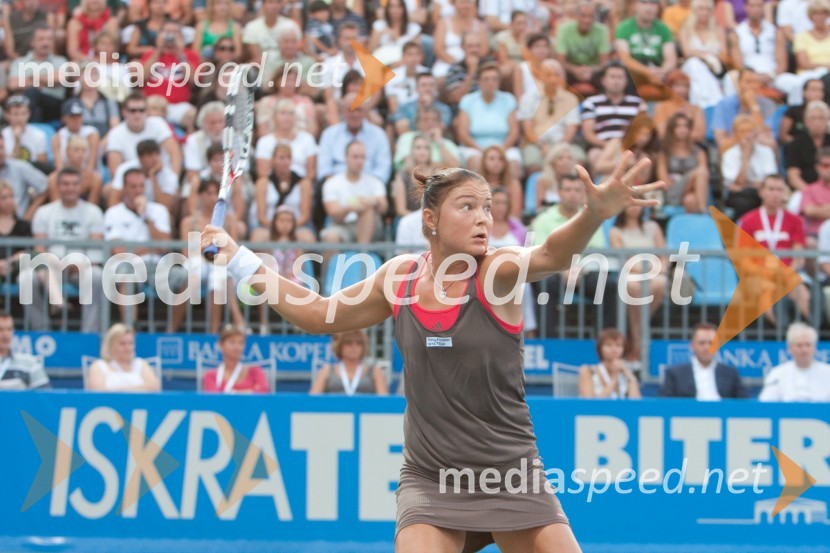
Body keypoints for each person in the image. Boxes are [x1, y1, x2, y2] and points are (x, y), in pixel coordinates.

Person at [202, 150, 661, 552]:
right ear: (430, 219)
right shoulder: (398, 277)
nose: (484, 218)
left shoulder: (496, 271)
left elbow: (552, 255)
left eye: (487, 207)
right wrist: (240, 259)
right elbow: (319, 312)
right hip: (431, 477)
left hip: (510, 473)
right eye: (468, 207)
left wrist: (593, 215)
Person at [26, 167, 106, 333]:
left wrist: (77, 264)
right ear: (58, 186)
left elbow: (96, 249)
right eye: (66, 184)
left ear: (81, 186)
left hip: (81, 266)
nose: (70, 188)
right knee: (25, 278)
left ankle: (89, 332)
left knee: (97, 276)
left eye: (74, 184)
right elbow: (40, 248)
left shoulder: (93, 212)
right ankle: (40, 331)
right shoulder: (44, 212)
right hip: (51, 266)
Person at [738, 174, 811, 324]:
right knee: (766, 294)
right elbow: (744, 261)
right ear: (761, 192)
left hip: (787, 273)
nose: (775, 194)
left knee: (801, 293)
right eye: (771, 189)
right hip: (759, 275)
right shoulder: (747, 221)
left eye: (779, 190)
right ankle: (784, 336)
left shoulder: (794, 220)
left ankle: (813, 335)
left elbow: (799, 257)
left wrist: (786, 273)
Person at [517, 59, 581, 175]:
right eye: (548, 75)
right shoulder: (528, 98)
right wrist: (542, 146)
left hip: (563, 142)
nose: (553, 79)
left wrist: (559, 148)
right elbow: (528, 130)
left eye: (557, 75)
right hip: (536, 144)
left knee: (579, 160)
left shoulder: (571, 99)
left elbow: (571, 129)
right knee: (533, 164)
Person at [455, 62, 521, 173]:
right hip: (475, 148)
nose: (490, 83)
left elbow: (514, 132)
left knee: (513, 163)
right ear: (479, 82)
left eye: (494, 79)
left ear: (499, 82)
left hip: (503, 147)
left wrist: (500, 151)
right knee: (476, 161)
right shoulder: (468, 100)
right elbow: (463, 134)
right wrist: (484, 152)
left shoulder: (508, 99)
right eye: (486, 79)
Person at [580, 62, 647, 170]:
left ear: (626, 81)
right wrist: (610, 146)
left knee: (644, 157)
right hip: (602, 147)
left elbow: (643, 131)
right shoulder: (591, 102)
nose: (616, 81)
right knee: (594, 155)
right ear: (603, 80)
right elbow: (588, 134)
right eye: (612, 77)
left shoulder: (638, 103)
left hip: (630, 148)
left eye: (620, 77)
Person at [660, 322, 749, 399]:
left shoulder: (730, 373)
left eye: (711, 343)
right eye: (702, 343)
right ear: (692, 345)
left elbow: (744, 403)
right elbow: (664, 403)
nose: (706, 347)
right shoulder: (675, 374)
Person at [105, 93, 182, 181]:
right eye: (133, 110)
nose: (137, 115)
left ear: (147, 111)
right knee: (109, 189)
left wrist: (173, 181)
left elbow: (175, 154)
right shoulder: (116, 133)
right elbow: (114, 170)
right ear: (124, 112)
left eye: (141, 110)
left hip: (160, 179)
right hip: (132, 183)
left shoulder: (158, 123)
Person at [250, 144, 315, 243]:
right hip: (269, 227)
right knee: (257, 237)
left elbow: (305, 216)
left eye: (288, 158)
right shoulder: (262, 183)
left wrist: (288, 227)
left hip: (295, 227)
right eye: (281, 158)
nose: (285, 162)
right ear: (273, 160)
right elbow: (261, 217)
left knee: (308, 238)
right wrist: (278, 227)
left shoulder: (304, 183)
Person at [614, 0, 678, 100]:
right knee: (624, 74)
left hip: (657, 68)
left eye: (653, 3)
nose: (649, 7)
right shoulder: (624, 27)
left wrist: (662, 71)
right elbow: (625, 58)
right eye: (644, 2)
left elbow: (671, 59)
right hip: (634, 69)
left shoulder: (664, 28)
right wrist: (648, 73)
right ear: (635, 5)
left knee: (675, 78)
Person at [679, 0, 734, 109]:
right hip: (693, 67)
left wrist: (712, 60)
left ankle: (709, 105)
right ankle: (709, 104)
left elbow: (723, 53)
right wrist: (706, 57)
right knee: (694, 64)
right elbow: (686, 52)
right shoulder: (686, 29)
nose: (704, 12)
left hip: (715, 69)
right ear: (694, 11)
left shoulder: (718, 30)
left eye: (708, 9)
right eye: (701, 9)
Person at [774, 0, 830, 106]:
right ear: (810, 16)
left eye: (823, 13)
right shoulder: (801, 36)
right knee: (785, 81)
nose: (819, 17)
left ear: (827, 15)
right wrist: (825, 66)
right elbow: (803, 63)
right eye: (816, 14)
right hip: (809, 73)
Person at [721, 114, 778, 219]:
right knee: (743, 202)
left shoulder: (766, 152)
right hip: (740, 197)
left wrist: (744, 186)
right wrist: (745, 158)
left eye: (750, 131)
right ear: (736, 134)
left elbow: (770, 180)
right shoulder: (729, 155)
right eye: (743, 132)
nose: (747, 136)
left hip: (763, 193)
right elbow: (735, 184)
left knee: (773, 197)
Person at [759, 322, 830, 402]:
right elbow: (766, 403)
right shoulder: (778, 374)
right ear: (790, 347)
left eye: (808, 345)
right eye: (799, 345)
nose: (804, 350)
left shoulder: (828, 372)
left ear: (814, 347)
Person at [656, 112, 710, 213]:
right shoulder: (664, 152)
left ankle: (696, 223)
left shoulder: (699, 152)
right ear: (672, 129)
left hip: (694, 193)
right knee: (700, 171)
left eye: (685, 126)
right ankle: (704, 211)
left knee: (690, 200)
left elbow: (704, 179)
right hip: (672, 191)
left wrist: (690, 188)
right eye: (678, 126)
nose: (682, 129)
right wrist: (685, 184)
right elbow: (664, 182)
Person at [310, 330, 389, 395]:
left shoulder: (374, 371)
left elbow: (384, 401)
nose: (354, 347)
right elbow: (312, 399)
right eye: (349, 343)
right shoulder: (327, 370)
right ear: (339, 346)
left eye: (358, 343)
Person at [556, 1, 611, 94]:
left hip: (594, 71)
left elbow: (604, 62)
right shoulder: (564, 29)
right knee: (557, 73)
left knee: (610, 77)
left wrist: (591, 70)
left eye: (591, 16)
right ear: (576, 16)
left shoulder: (602, 30)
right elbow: (561, 60)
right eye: (583, 16)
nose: (587, 20)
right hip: (570, 70)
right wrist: (575, 70)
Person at [87, 324, 161, 392]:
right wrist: (137, 389)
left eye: (131, 343)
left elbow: (154, 387)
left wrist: (118, 390)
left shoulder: (141, 364)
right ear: (111, 345)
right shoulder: (99, 366)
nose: (128, 348)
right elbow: (97, 391)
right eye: (122, 344)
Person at [203, 325, 270, 393]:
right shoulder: (211, 375)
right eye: (232, 342)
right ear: (221, 345)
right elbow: (212, 399)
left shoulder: (255, 371)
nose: (237, 347)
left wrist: (235, 393)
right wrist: (249, 391)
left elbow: (264, 390)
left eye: (241, 343)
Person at [578, 329, 642, 398]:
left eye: (618, 345)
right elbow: (589, 403)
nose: (614, 349)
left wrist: (630, 377)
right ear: (600, 348)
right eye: (609, 345)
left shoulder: (626, 373)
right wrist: (614, 378)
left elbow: (636, 404)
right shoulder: (587, 371)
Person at [785, 100, 830, 191]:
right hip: (805, 190)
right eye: (813, 118)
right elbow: (793, 177)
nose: (817, 122)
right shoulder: (795, 145)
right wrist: (811, 193)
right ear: (806, 121)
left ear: (827, 121)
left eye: (821, 118)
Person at [653, 70, 707, 144]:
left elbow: (700, 133)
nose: (681, 90)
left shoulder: (696, 109)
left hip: (692, 147)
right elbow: (661, 132)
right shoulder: (661, 107)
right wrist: (682, 136)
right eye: (677, 86)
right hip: (667, 147)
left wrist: (681, 138)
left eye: (685, 86)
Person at [46, 135, 102, 205]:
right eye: (76, 150)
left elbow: (92, 206)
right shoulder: (54, 178)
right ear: (67, 152)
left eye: (83, 150)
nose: (80, 154)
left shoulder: (94, 179)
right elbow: (55, 206)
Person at [534, 143, 586, 211]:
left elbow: (584, 206)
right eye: (560, 158)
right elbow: (540, 209)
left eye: (569, 158)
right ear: (552, 163)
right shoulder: (543, 181)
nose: (566, 162)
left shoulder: (579, 182)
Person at [2, 95, 48, 167]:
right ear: (7, 115)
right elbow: (5, 165)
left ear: (29, 114)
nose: (20, 118)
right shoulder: (2, 135)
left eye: (23, 114)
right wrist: (17, 140)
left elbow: (42, 163)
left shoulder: (39, 135)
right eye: (16, 114)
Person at [779, 79, 826, 144]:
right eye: (814, 89)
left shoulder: (826, 111)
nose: (817, 94)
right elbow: (783, 136)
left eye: (821, 90)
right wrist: (799, 144)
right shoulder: (793, 111)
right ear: (804, 92)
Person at [799, 147, 830, 243]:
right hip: (816, 236)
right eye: (825, 165)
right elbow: (809, 211)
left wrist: (820, 209)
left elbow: (814, 211)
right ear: (817, 167)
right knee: (809, 243)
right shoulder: (810, 189)